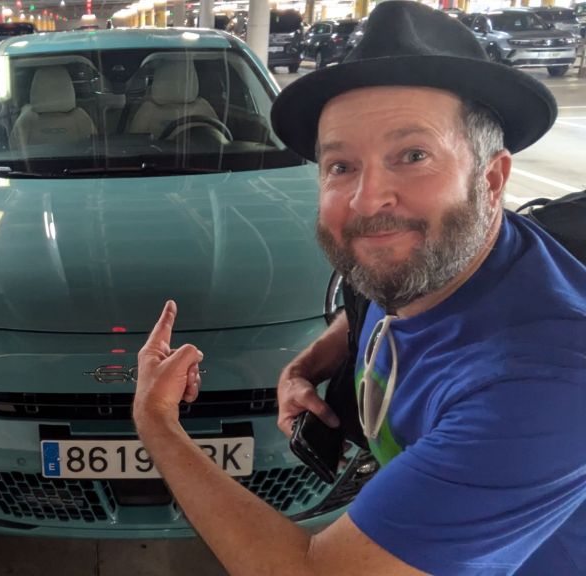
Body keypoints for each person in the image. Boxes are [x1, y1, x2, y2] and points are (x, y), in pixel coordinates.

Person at [133, 2, 586, 574]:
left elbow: (310, 571)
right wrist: (310, 362)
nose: (367, 201)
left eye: (413, 156)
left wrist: (156, 422)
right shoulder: (454, 252)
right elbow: (385, 287)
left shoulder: (540, 387)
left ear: (491, 179)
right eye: (341, 166)